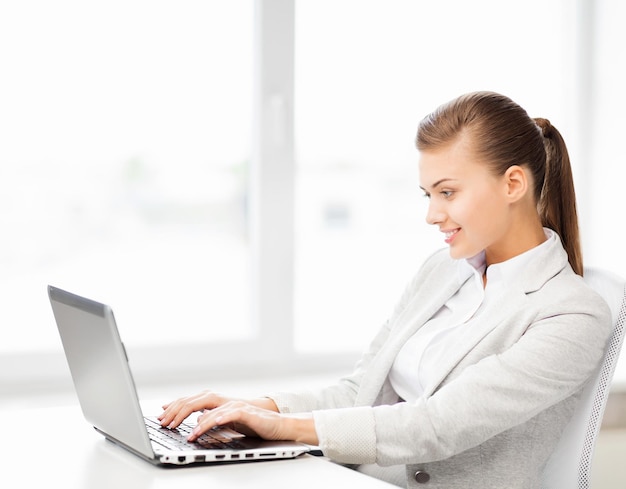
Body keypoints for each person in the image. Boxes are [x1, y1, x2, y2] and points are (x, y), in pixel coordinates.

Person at [158, 91, 612, 488]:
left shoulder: (572, 313)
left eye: (448, 192)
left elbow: (439, 425)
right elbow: (362, 391)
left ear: (513, 183)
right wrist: (254, 408)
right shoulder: (442, 271)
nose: (432, 215)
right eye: (427, 194)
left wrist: (285, 427)